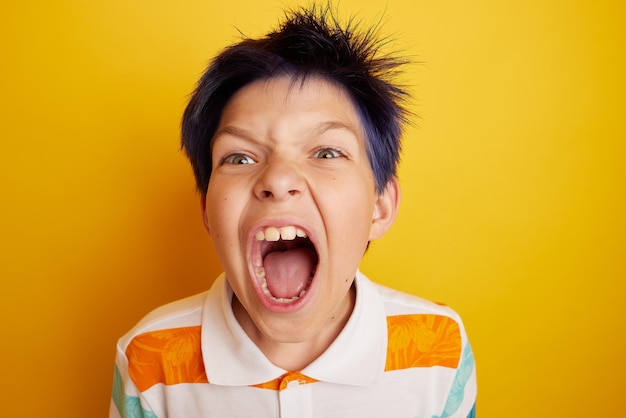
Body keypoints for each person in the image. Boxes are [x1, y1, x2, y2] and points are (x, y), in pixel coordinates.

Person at [110, 4, 476, 417]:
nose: (278, 179)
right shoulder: (148, 356)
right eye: (240, 158)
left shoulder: (440, 347)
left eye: (326, 151)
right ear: (208, 214)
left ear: (380, 207)